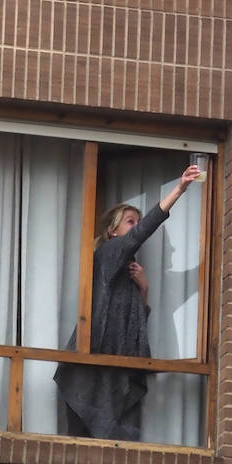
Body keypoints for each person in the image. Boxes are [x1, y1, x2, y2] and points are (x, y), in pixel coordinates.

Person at [54, 162, 201, 441]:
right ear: (113, 231)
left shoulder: (129, 272)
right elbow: (143, 231)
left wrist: (143, 290)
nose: (135, 226)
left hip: (114, 372)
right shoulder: (109, 253)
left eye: (136, 220)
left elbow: (132, 324)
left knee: (119, 445)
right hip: (90, 375)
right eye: (130, 221)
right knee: (84, 445)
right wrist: (179, 189)